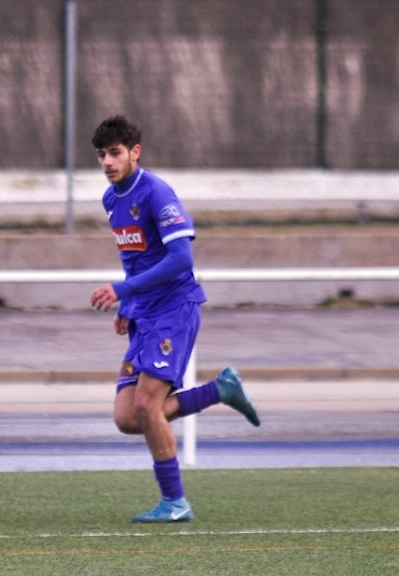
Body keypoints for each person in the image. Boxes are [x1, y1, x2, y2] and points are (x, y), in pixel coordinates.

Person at [89, 115, 261, 523]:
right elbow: (134, 259)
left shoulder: (157, 193)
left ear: (135, 152)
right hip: (144, 314)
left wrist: (122, 291)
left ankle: (175, 502)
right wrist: (128, 307)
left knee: (149, 407)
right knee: (127, 418)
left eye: (115, 153)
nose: (108, 162)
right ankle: (220, 390)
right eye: (101, 155)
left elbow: (182, 258)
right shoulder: (111, 200)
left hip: (173, 310)